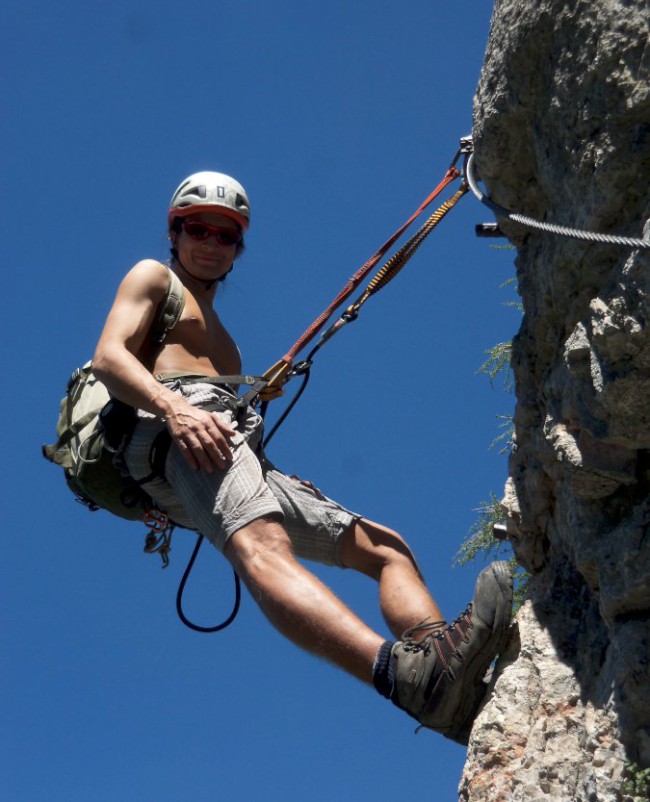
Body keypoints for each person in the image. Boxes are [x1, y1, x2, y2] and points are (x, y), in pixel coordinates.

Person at [92, 170, 513, 743]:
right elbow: (110, 359)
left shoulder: (229, 342)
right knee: (260, 546)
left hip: (221, 438)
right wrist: (176, 411)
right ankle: (404, 677)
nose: (211, 243)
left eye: (226, 235)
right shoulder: (153, 277)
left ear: (239, 248)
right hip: (176, 431)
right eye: (198, 229)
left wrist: (260, 452)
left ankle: (443, 675)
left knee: (385, 549)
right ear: (174, 231)